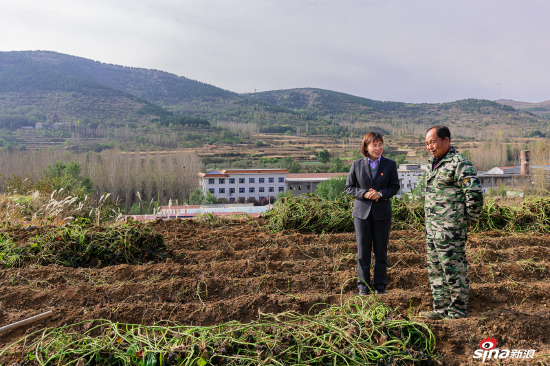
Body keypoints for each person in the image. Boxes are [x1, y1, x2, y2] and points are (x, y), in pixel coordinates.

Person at [420, 125, 483, 320]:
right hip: (433, 229)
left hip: (451, 229)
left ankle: (457, 310)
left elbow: (474, 195)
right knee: (436, 270)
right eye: (427, 143)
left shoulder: (459, 163)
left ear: (446, 140)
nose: (430, 146)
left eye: (433, 142)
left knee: (453, 268)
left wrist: (467, 221)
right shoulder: (435, 163)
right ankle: (440, 308)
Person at [345, 132, 400, 296]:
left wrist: (381, 194)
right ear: (366, 147)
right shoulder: (357, 164)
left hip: (382, 213)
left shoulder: (390, 165)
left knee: (381, 252)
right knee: (363, 252)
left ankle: (380, 286)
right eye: (374, 145)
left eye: (380, 144)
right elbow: (349, 187)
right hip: (362, 214)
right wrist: (364, 194)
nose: (378, 148)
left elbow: (394, 187)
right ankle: (363, 287)